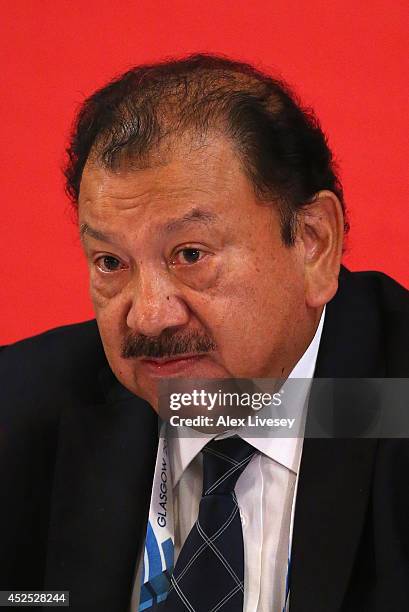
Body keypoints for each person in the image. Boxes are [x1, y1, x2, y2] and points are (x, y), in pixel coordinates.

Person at [1, 54, 408, 612]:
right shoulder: (19, 412)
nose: (147, 316)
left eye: (190, 255)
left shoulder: (392, 400)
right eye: (110, 263)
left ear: (314, 244)